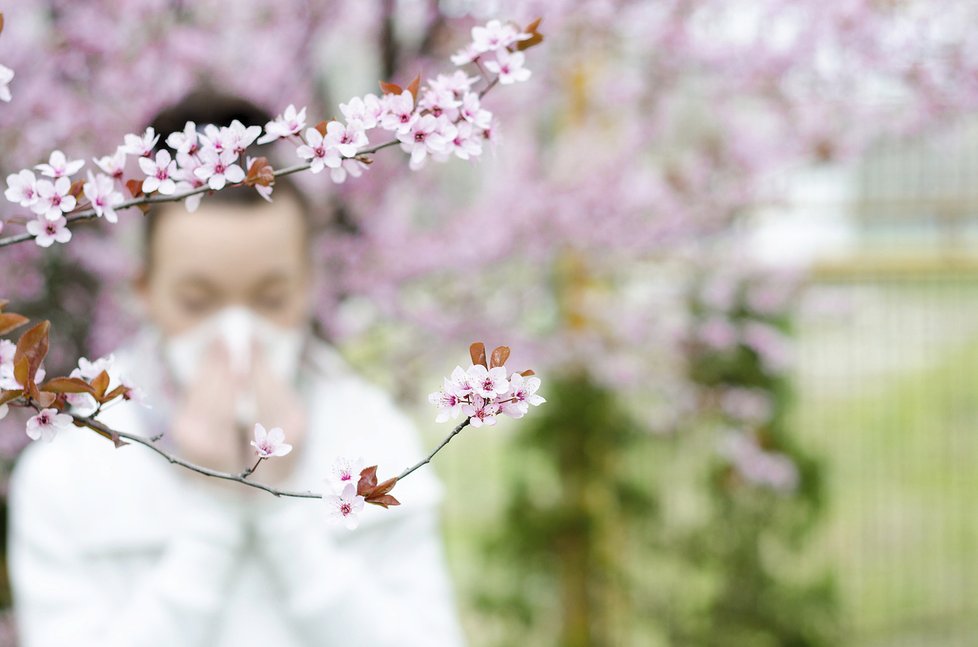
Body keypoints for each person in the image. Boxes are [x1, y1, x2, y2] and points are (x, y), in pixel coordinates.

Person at [6, 93, 467, 646]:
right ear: (146, 291)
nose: (235, 335)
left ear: (308, 286)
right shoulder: (67, 474)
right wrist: (216, 509)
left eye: (270, 300)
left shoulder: (376, 438)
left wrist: (281, 508)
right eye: (199, 303)